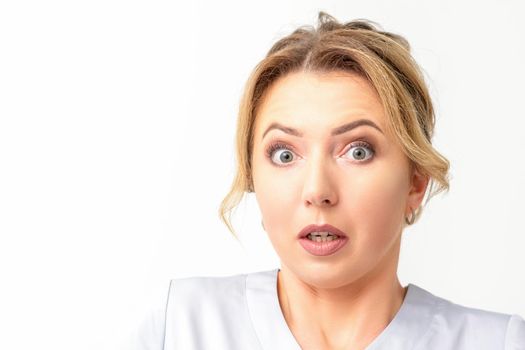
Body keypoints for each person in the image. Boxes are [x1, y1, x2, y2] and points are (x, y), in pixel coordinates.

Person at [127, 11, 525, 350]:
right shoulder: (179, 327)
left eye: (358, 151)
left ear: (415, 183)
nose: (317, 190)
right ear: (253, 178)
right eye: (285, 155)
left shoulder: (498, 343)